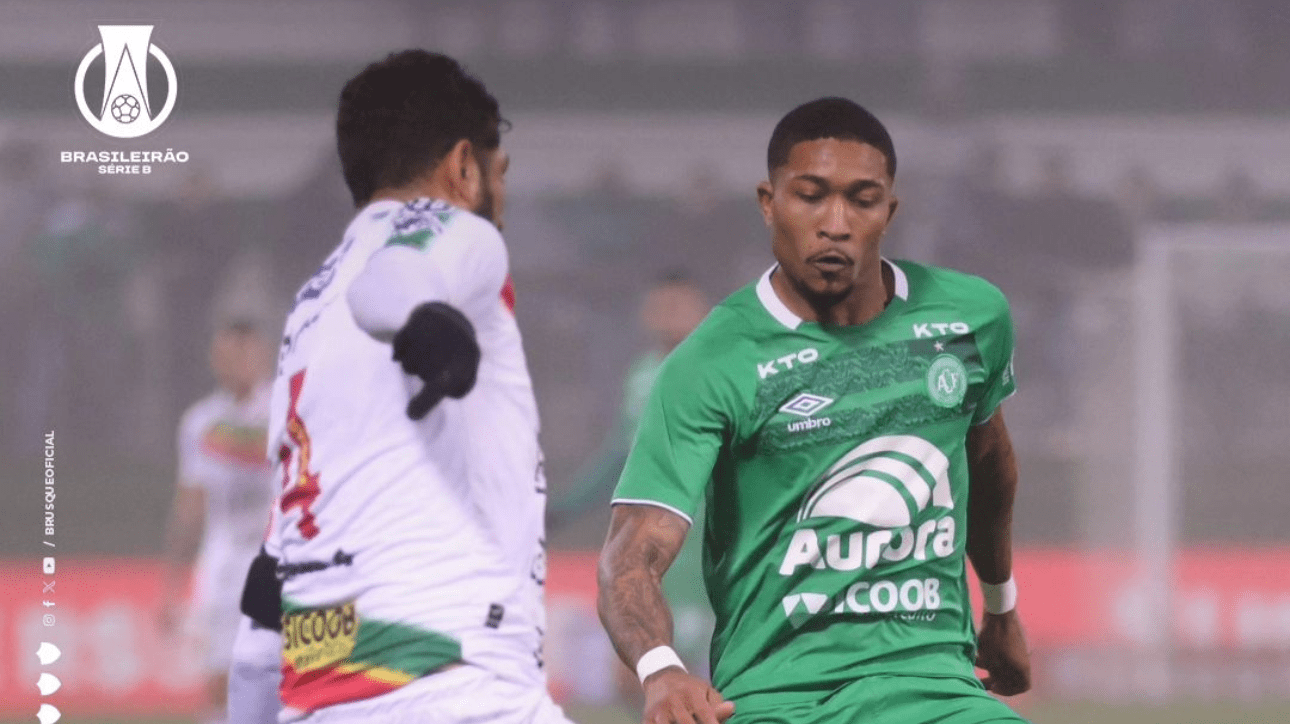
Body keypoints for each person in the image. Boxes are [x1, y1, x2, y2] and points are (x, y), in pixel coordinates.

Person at [598, 97, 1032, 724]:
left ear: (890, 209)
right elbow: (629, 553)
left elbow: (989, 463)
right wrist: (662, 670)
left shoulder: (970, 317)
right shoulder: (712, 362)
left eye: (862, 199)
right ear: (768, 202)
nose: (836, 223)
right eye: (810, 195)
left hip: (936, 692)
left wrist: (1002, 606)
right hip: (779, 701)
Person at [248, 50, 569, 724]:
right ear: (462, 167)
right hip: (455, 687)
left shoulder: (306, 314)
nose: (499, 197)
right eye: (498, 173)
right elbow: (392, 285)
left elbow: (260, 612)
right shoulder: (459, 232)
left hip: (320, 696)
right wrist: (428, 322)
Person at [159, 316, 276, 724]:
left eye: (245, 353)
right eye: (228, 355)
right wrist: (173, 582)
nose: (237, 364)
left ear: (261, 356)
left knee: (283, 674)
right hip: (223, 560)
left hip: (275, 555)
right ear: (215, 359)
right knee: (218, 677)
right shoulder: (200, 422)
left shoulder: (284, 408)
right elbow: (189, 504)